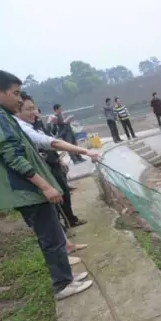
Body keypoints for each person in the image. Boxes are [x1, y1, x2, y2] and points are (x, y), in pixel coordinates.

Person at [0, 70, 93, 300]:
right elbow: (13, 156)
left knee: (54, 235)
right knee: (50, 238)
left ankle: (66, 277)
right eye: (15, 93)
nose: (19, 98)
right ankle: (63, 284)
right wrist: (45, 186)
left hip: (26, 190)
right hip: (27, 190)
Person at [15, 92, 98, 229]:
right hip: (43, 168)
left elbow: (49, 140)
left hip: (53, 162)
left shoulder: (35, 123)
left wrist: (59, 159)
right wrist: (85, 151)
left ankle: (70, 220)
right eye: (29, 109)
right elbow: (51, 141)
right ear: (17, 110)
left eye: (34, 108)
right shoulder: (21, 128)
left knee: (63, 191)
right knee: (55, 198)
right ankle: (63, 228)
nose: (34, 112)